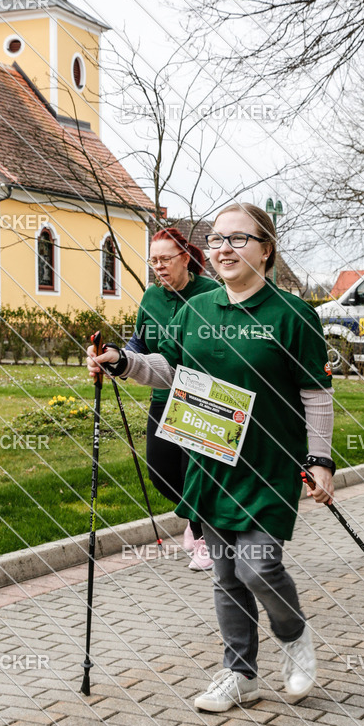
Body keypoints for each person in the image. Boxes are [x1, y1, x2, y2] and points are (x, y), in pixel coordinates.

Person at [88, 203, 335, 710]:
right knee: (224, 574)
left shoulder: (292, 314)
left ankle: (293, 637)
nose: (224, 248)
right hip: (209, 459)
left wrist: (320, 460)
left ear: (266, 250)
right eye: (218, 238)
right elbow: (166, 371)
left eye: (239, 239)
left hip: (269, 463)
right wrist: (120, 361)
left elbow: (315, 393)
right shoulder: (192, 312)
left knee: (258, 568)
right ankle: (239, 672)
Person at [127, 227, 220, 570]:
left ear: (185, 258)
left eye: (165, 259)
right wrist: (119, 359)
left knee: (192, 468)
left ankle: (202, 535)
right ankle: (200, 520)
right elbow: (139, 341)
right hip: (163, 390)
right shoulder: (151, 297)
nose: (159, 267)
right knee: (161, 470)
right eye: (153, 261)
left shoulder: (210, 293)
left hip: (200, 395)